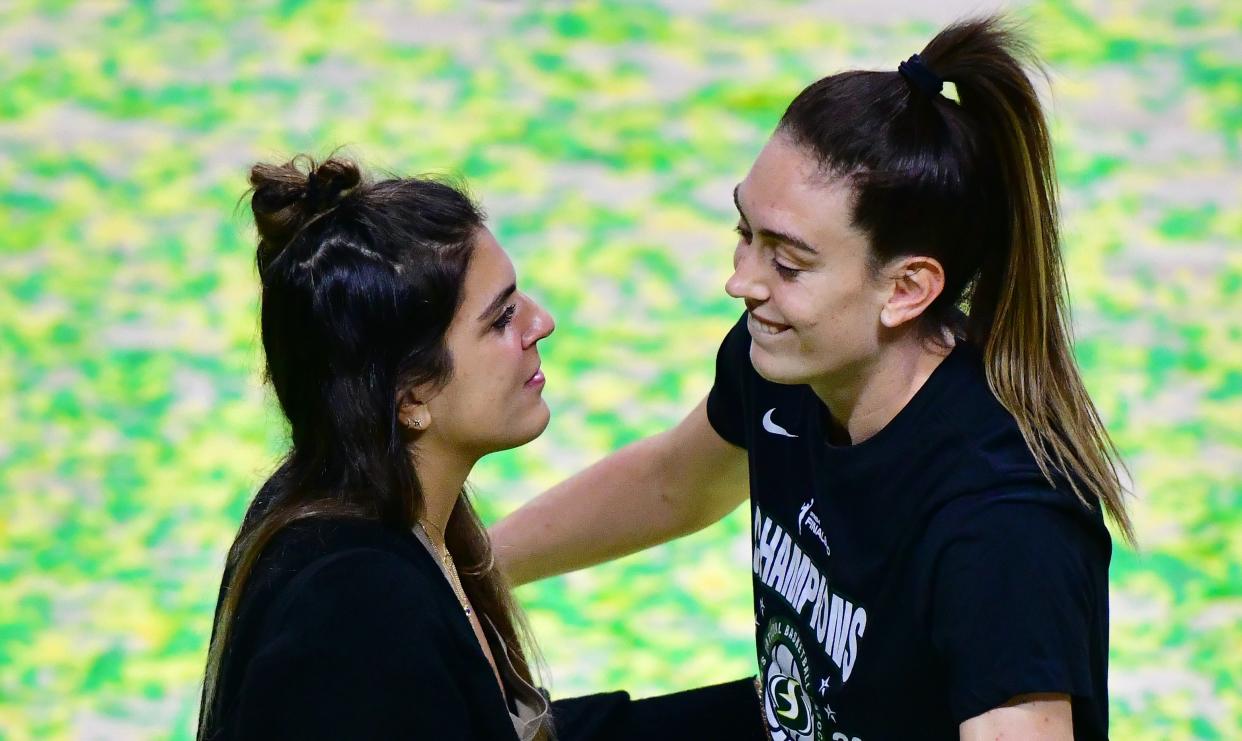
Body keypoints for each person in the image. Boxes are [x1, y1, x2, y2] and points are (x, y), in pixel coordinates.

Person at [491, 16, 1130, 741]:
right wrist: (469, 574)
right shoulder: (791, 363)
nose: (742, 282)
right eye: (745, 234)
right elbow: (678, 481)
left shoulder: (1003, 521)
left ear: (908, 289)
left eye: (787, 262)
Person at [197, 154, 768, 741]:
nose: (540, 323)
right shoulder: (360, 608)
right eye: (501, 319)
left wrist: (781, 713)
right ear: (409, 397)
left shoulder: (347, 509)